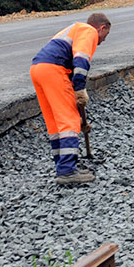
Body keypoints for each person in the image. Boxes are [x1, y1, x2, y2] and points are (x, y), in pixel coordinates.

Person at [30, 13, 111, 184]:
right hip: (53, 69)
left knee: (55, 123)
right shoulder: (89, 31)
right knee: (68, 120)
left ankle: (62, 167)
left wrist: (80, 114)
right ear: (101, 28)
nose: (103, 40)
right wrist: (80, 88)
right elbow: (80, 60)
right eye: (106, 35)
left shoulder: (73, 29)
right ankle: (67, 171)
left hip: (38, 69)